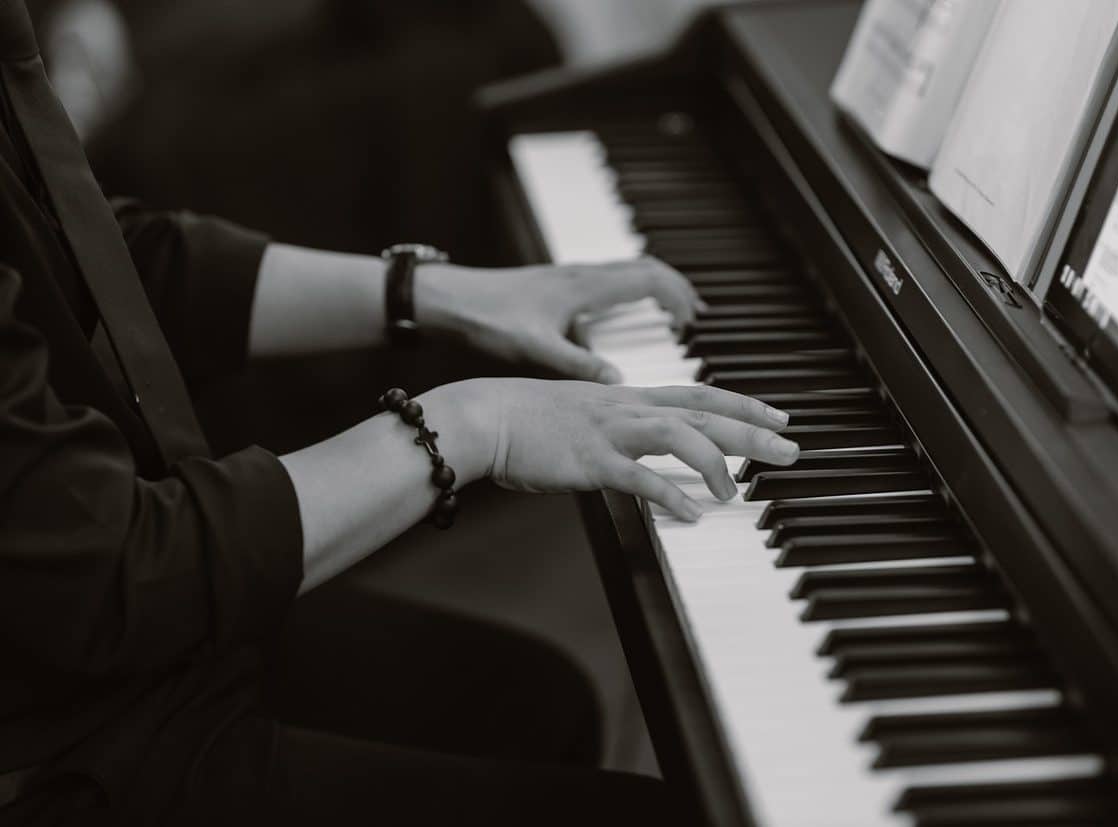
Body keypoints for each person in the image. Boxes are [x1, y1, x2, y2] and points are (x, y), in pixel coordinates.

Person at [0, 0, 800, 824]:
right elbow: (110, 576)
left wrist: (431, 292)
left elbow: (97, 257)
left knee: (538, 704)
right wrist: (475, 423)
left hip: (105, 643)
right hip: (60, 744)